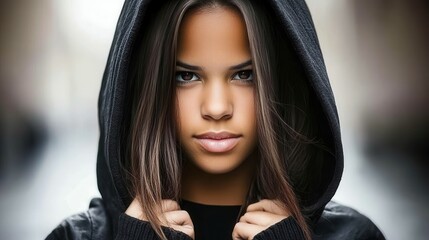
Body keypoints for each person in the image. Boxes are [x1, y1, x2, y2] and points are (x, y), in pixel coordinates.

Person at [46, 0, 385, 239]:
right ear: (145, 89)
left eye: (245, 75)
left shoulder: (354, 236)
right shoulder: (78, 237)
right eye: (186, 77)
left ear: (284, 82)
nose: (218, 107)